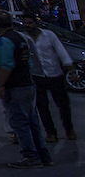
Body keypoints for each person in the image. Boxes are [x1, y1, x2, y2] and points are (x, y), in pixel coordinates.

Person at [0, 10, 53, 168]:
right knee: (32, 122)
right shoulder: (21, 38)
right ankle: (43, 156)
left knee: (20, 123)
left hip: (16, 87)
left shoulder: (5, 40)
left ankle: (31, 156)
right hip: (28, 84)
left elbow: (6, 65)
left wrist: (0, 84)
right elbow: (29, 62)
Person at [24, 13, 76, 142]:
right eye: (25, 23)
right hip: (37, 75)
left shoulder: (49, 35)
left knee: (63, 104)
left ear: (36, 24)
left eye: (30, 23)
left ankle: (69, 129)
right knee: (42, 106)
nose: (27, 26)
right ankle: (51, 132)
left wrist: (71, 70)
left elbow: (62, 52)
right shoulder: (24, 38)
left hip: (54, 73)